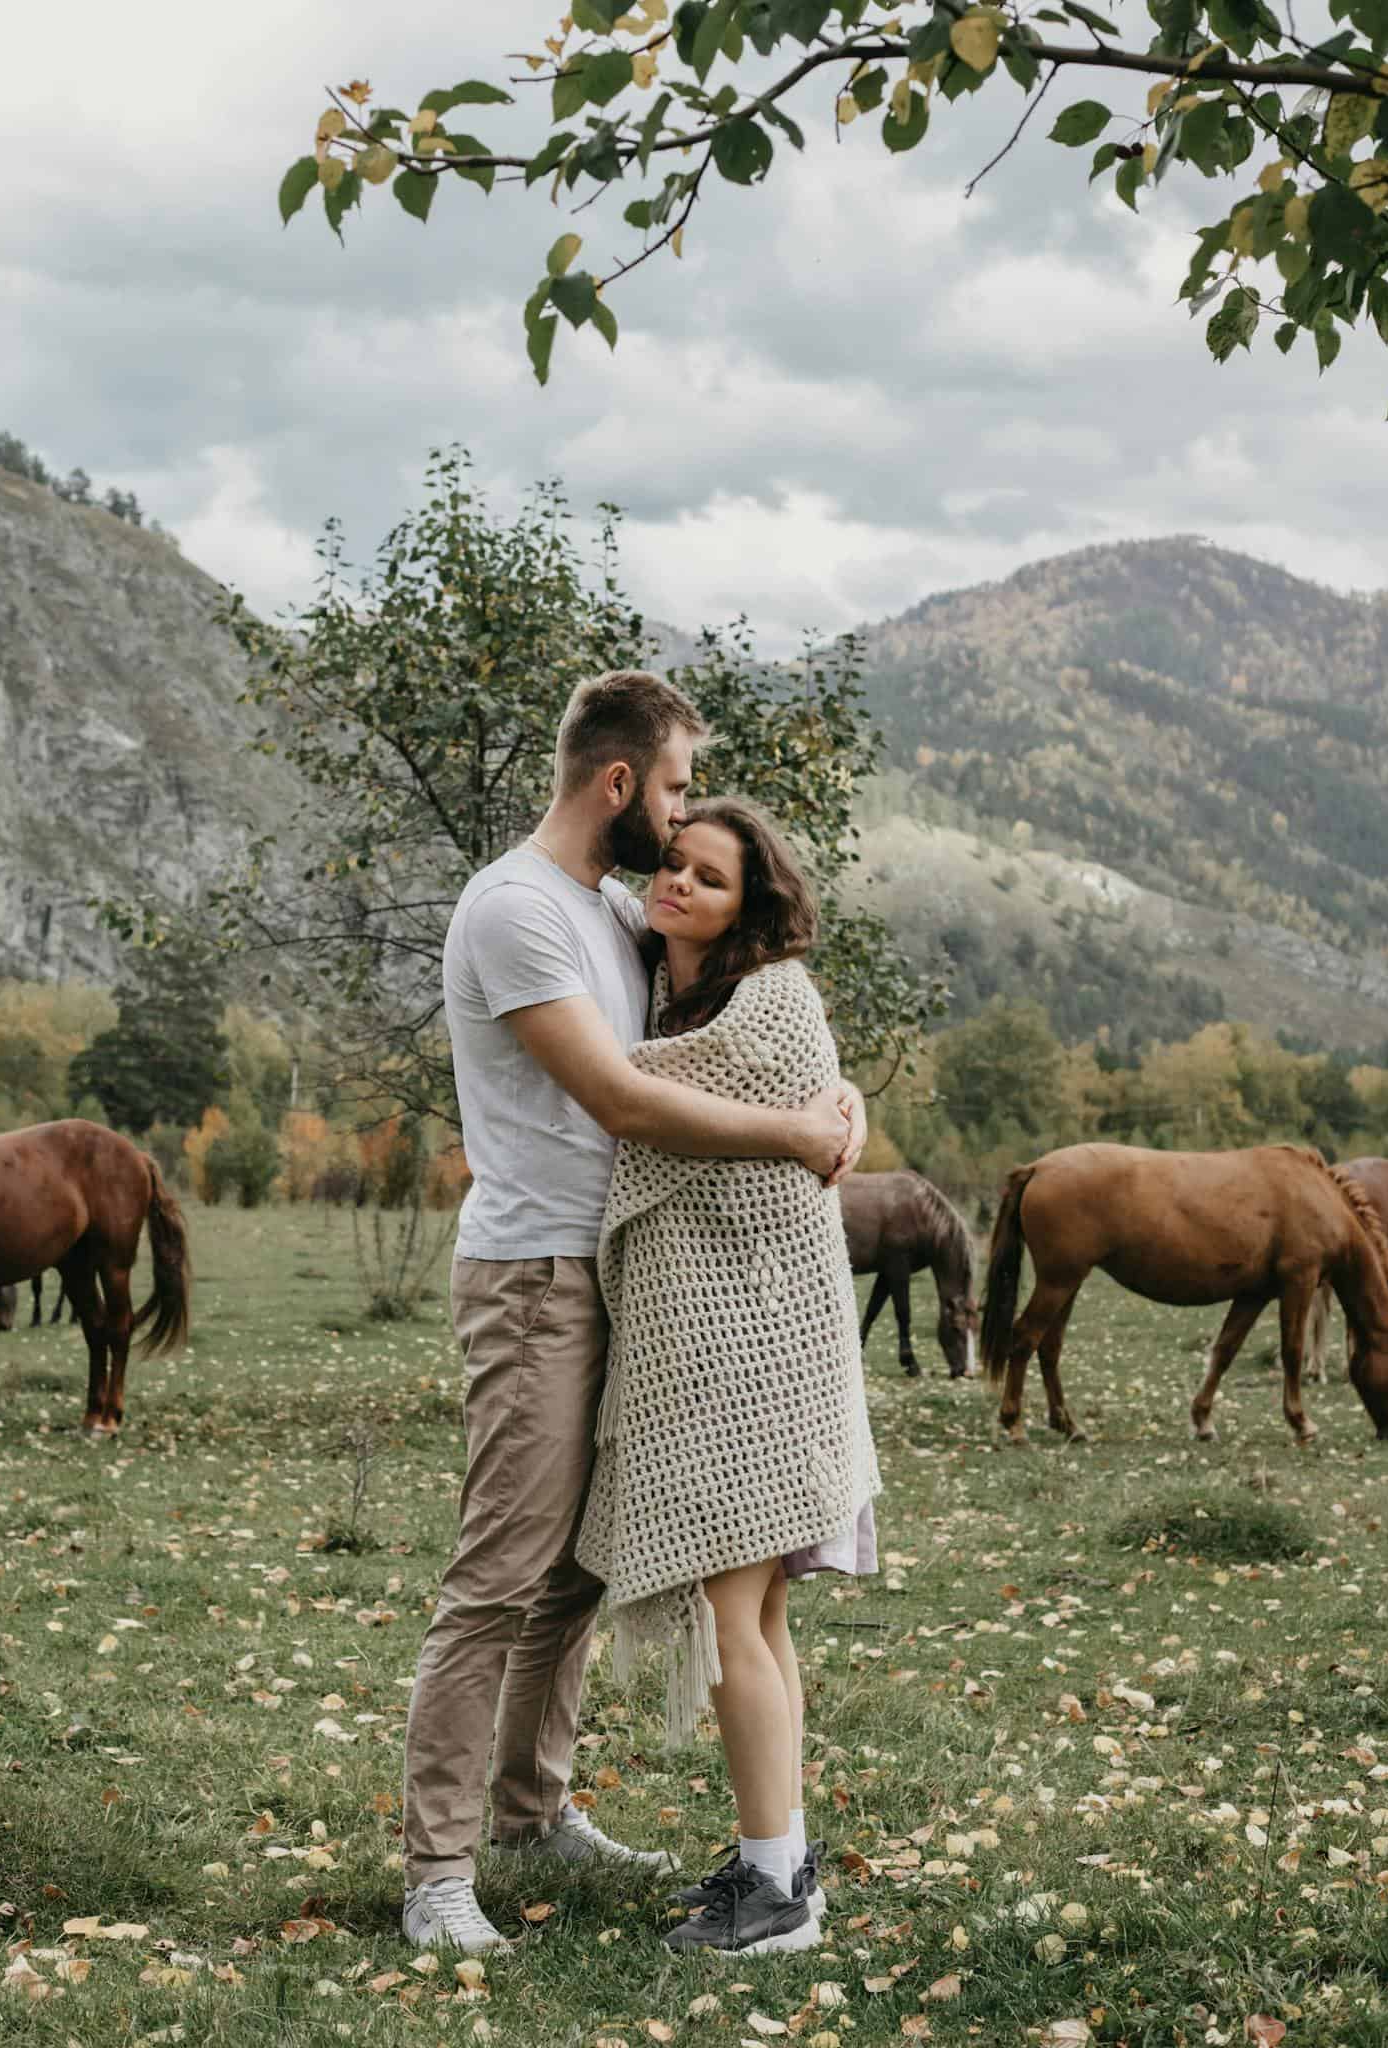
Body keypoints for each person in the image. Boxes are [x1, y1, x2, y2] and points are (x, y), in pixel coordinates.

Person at [401, 671, 867, 1955]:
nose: (674, 823)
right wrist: (800, 1136)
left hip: (626, 1282)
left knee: (573, 1577)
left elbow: (737, 1022)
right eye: (667, 790)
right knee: (499, 1577)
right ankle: (439, 1871)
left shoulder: (613, 909)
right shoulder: (515, 913)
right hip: (540, 1276)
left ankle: (530, 1809)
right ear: (617, 784)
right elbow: (622, 1097)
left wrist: (839, 1107)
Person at [575, 796, 882, 1958]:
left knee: (731, 1615)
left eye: (709, 877)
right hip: (729, 1347)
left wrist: (839, 1104)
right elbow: (591, 881)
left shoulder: (768, 1000)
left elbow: (633, 1090)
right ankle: (781, 1860)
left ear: (751, 904)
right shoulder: (663, 980)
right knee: (755, 1613)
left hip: (761, 1347)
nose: (679, 886)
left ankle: (776, 1896)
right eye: (675, 865)